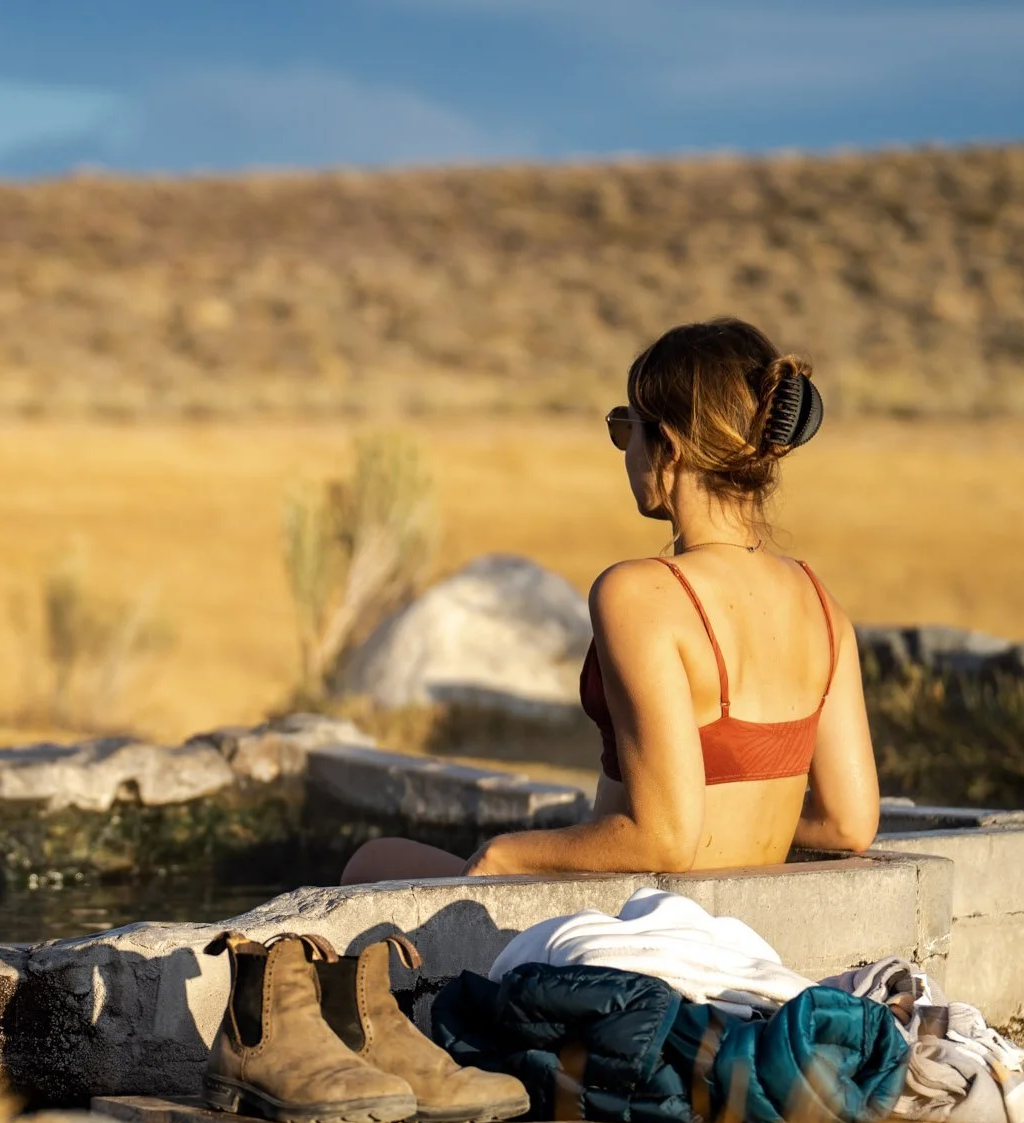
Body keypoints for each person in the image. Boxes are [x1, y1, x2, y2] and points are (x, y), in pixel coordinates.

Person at [341, 318, 879, 883]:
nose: (625, 450)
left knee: (372, 862)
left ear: (668, 447)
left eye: (627, 429)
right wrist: (741, 825)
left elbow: (664, 841)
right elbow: (849, 824)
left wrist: (507, 853)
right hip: (740, 928)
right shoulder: (823, 607)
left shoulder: (640, 593)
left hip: (637, 923)